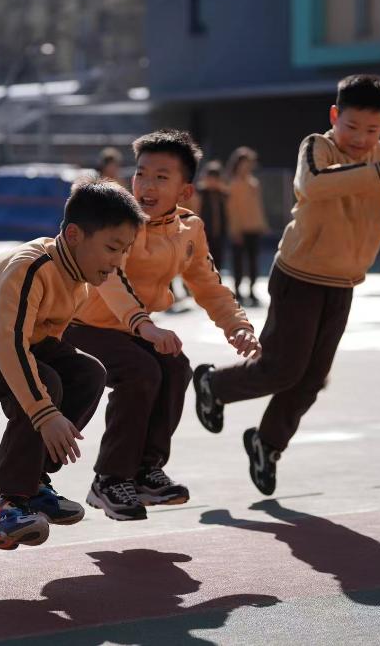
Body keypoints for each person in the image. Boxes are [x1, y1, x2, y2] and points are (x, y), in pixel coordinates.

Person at [193, 74, 380, 495]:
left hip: (343, 283)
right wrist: (375, 172)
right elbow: (312, 185)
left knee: (312, 378)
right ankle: (213, 385)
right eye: (352, 126)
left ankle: (267, 443)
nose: (360, 138)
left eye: (371, 129)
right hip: (299, 275)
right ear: (335, 116)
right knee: (283, 369)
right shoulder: (317, 146)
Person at [0, 178, 145, 550]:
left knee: (88, 374)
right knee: (44, 385)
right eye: (111, 247)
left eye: (125, 251)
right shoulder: (32, 267)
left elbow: (46, 345)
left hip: (4, 345)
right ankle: (10, 505)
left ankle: (35, 483)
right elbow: (10, 343)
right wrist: (43, 413)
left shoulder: (79, 282)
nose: (118, 261)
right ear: (74, 235)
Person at [65, 130, 259, 522]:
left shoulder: (189, 228)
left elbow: (207, 284)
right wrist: (144, 325)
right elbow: (109, 279)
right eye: (141, 174)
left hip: (130, 328)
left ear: (185, 191)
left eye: (161, 177)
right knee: (141, 371)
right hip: (78, 322)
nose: (147, 185)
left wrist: (237, 326)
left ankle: (144, 471)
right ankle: (109, 479)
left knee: (175, 367)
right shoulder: (116, 219)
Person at [225, 147, 268, 306]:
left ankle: (251, 291)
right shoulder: (233, 184)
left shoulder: (253, 183)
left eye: (250, 163)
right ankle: (238, 291)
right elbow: (231, 210)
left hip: (254, 228)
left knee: (253, 262)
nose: (248, 166)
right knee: (238, 263)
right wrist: (234, 230)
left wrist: (262, 224)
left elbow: (258, 206)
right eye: (245, 163)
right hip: (239, 230)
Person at [194, 160, 229, 273]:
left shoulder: (223, 194)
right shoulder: (200, 193)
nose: (212, 182)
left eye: (215, 178)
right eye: (210, 178)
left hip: (219, 234)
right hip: (203, 234)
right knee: (202, 262)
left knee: (217, 262)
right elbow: (195, 211)